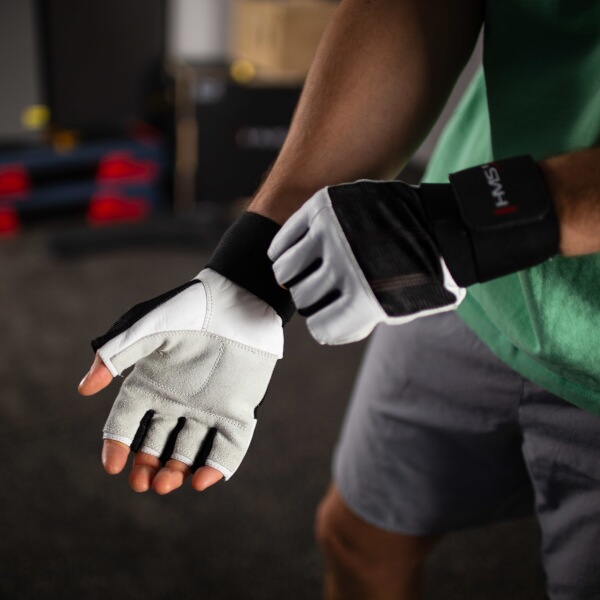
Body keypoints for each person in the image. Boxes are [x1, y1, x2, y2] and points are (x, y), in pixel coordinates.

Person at [79, 0, 600, 597]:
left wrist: (484, 222)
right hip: (460, 286)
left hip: (519, 290)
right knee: (358, 542)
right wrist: (249, 272)